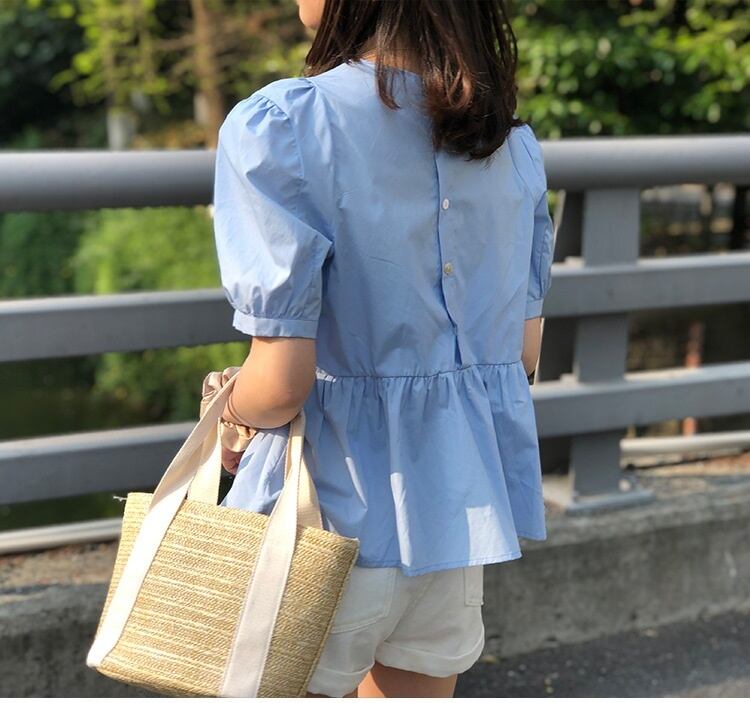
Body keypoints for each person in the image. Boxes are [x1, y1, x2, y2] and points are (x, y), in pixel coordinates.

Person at [211, 0, 555, 697]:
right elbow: (521, 356)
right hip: (456, 518)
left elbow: (280, 384)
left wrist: (229, 406)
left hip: (322, 516)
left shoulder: (282, 125)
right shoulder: (508, 143)